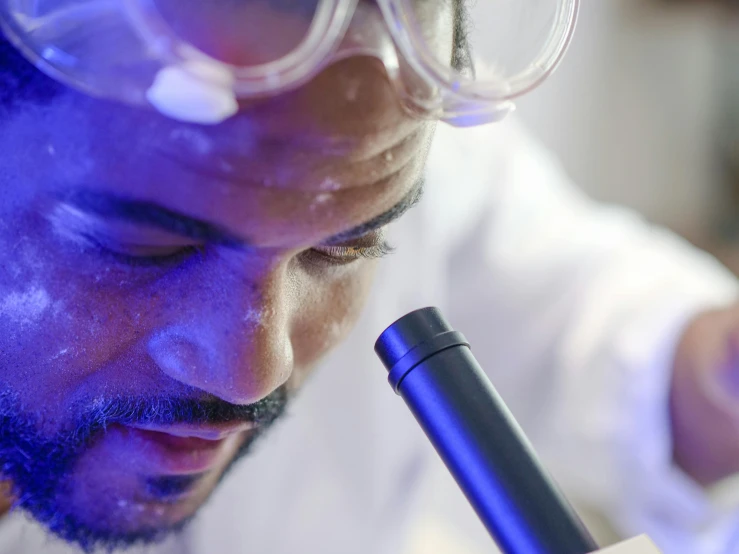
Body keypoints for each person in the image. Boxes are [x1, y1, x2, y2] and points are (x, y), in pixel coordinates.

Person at [1, 1, 739, 553]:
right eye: (146, 248)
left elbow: (603, 328)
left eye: (344, 251)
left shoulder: (358, 140)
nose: (252, 371)